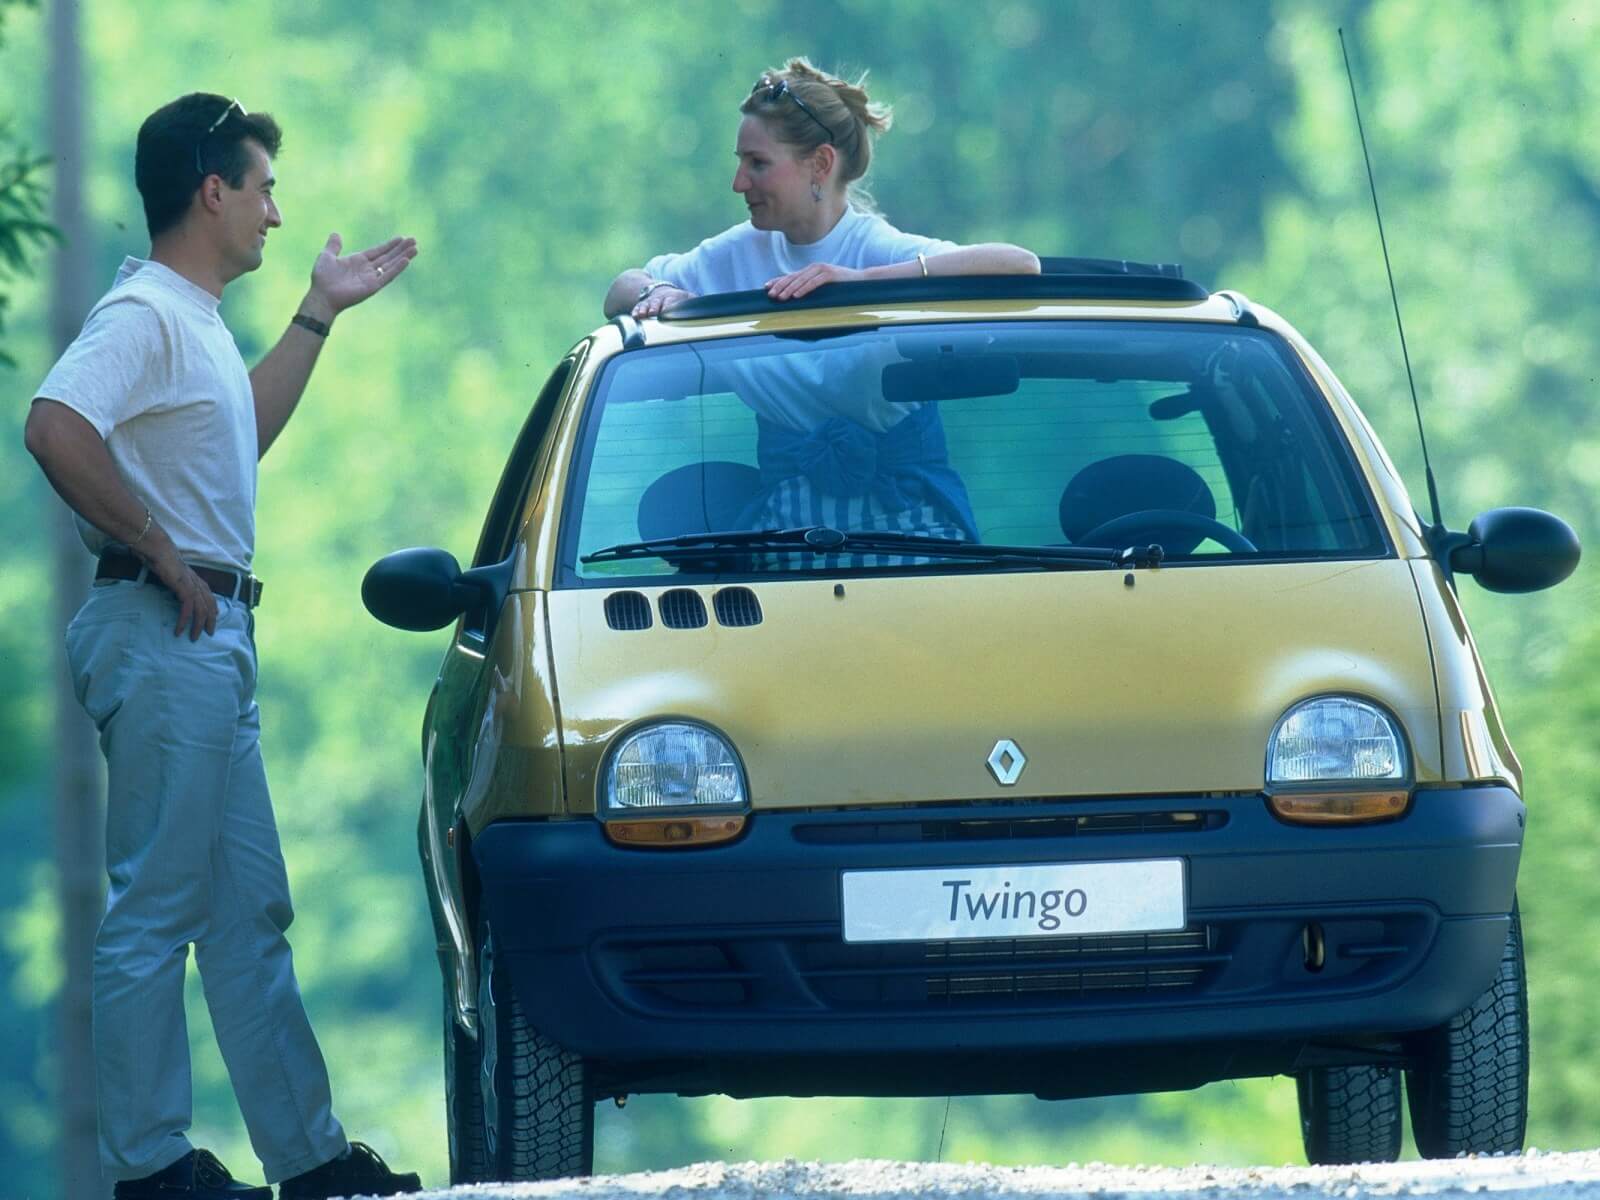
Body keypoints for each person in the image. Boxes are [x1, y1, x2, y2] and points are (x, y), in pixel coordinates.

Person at [23, 94, 421, 1200]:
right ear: (213, 192)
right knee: (156, 907)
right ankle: (151, 1169)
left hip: (209, 636)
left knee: (248, 910)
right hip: (165, 628)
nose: (274, 214)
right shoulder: (144, 313)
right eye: (262, 189)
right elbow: (53, 425)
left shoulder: (193, 319)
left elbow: (236, 439)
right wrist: (157, 547)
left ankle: (311, 1160)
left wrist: (317, 314)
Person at [603, 59, 1038, 557]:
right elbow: (620, 289)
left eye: (757, 163)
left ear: (821, 164)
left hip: (912, 524)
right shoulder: (735, 253)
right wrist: (658, 292)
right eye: (740, 162)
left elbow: (1020, 265)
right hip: (786, 533)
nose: (738, 183)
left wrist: (861, 283)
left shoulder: (875, 248)